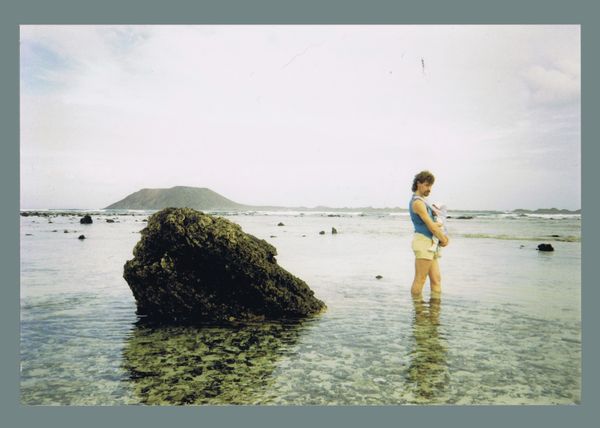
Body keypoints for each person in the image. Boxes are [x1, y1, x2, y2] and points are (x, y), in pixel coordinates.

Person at [409, 171, 449, 298]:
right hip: (423, 242)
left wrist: (441, 237)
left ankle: (435, 309)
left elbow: (434, 224)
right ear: (418, 184)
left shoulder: (424, 202)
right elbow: (431, 225)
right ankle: (417, 308)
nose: (429, 189)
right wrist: (444, 239)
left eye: (431, 186)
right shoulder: (418, 203)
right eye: (427, 185)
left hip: (431, 242)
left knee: (436, 279)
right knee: (420, 279)